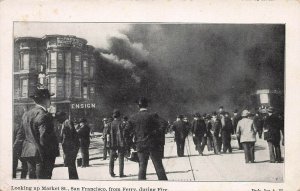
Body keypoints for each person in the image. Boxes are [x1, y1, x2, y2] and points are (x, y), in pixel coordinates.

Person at [18, 88, 59, 179]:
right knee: (43, 181)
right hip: (42, 155)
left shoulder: (26, 114)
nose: (50, 101)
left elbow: (20, 135)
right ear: (46, 100)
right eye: (50, 98)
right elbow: (44, 138)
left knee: (33, 181)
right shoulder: (44, 115)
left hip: (29, 153)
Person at [125, 97, 167, 180]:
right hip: (153, 144)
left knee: (142, 166)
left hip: (140, 144)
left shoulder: (133, 117)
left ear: (138, 106)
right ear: (147, 105)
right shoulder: (152, 115)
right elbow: (164, 124)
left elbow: (125, 132)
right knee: (158, 166)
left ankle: (142, 186)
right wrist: (156, 133)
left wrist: (132, 144)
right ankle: (165, 185)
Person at [56, 112, 80, 179]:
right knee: (70, 163)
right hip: (68, 147)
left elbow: (72, 132)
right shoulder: (64, 123)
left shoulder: (68, 122)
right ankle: (73, 177)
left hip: (71, 147)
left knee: (71, 163)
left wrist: (70, 144)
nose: (58, 120)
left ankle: (73, 178)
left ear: (63, 116)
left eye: (58, 118)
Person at [106, 109, 127, 177]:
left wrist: (108, 143)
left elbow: (107, 135)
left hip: (112, 143)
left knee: (111, 158)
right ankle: (121, 173)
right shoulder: (122, 124)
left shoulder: (109, 124)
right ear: (119, 116)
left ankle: (111, 173)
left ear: (113, 116)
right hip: (121, 143)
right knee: (121, 158)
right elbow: (125, 134)